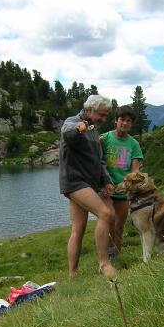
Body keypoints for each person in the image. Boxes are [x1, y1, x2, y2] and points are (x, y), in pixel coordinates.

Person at [59, 95, 116, 279]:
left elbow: (97, 161)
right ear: (90, 110)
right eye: (101, 114)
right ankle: (104, 263)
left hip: (87, 183)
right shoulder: (73, 122)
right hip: (75, 182)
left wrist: (106, 181)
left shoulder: (93, 130)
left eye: (106, 115)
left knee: (78, 229)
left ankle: (73, 275)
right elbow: (67, 133)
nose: (103, 119)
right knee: (105, 214)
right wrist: (78, 129)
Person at [101, 105, 143, 257]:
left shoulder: (133, 144)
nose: (124, 123)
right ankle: (105, 255)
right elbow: (95, 161)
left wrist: (127, 185)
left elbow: (135, 170)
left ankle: (116, 255)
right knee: (108, 221)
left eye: (128, 121)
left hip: (123, 192)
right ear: (115, 120)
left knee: (119, 226)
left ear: (131, 123)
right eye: (122, 120)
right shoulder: (104, 138)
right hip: (105, 190)